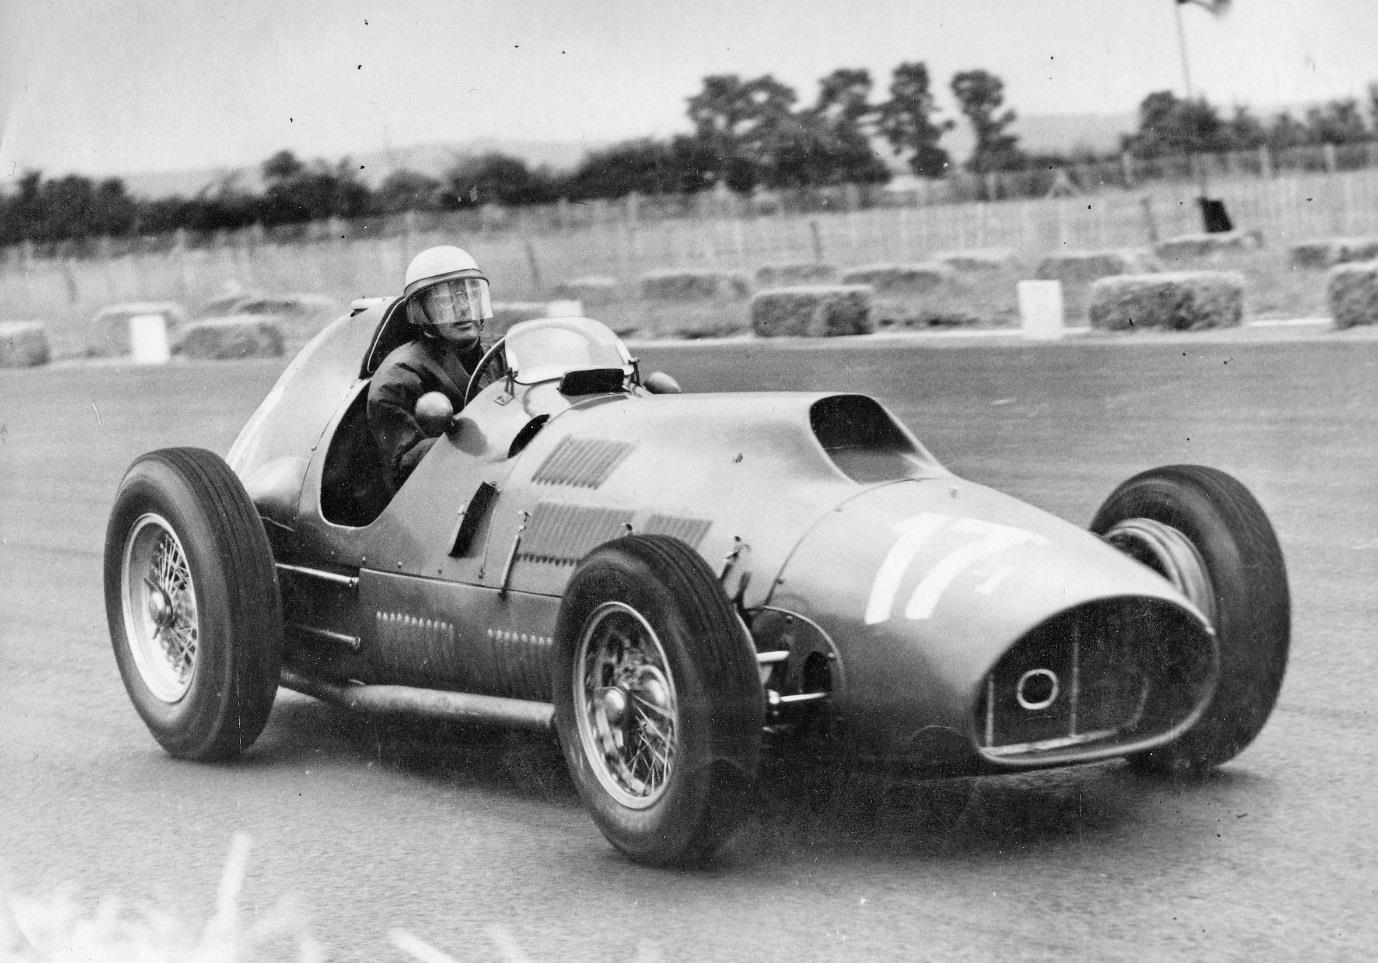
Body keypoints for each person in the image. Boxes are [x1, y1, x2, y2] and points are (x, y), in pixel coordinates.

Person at [368, 245, 496, 490]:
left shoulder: (502, 353)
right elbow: (405, 465)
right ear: (421, 310)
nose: (463, 308)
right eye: (445, 300)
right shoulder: (398, 379)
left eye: (470, 295)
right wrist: (466, 439)